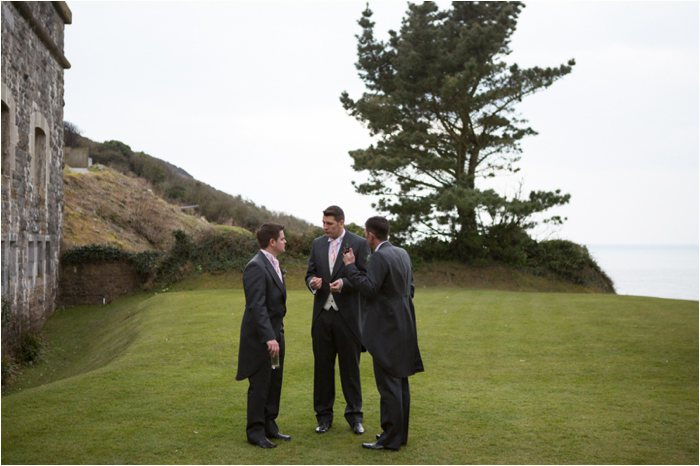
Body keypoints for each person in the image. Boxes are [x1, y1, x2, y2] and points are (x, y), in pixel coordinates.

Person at [342, 216, 424, 451]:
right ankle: (399, 435)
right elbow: (410, 289)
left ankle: (390, 438)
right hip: (405, 324)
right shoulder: (402, 253)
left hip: (387, 328)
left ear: (370, 235)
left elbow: (369, 288)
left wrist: (350, 266)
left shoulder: (379, 256)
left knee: (388, 385)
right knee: (400, 382)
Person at [305, 205, 371, 435]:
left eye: (329, 224)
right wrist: (312, 282)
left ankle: (355, 417)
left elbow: (364, 277)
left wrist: (344, 284)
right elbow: (310, 273)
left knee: (350, 370)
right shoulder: (317, 244)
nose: (325, 227)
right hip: (322, 316)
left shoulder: (359, 244)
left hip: (348, 318)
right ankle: (323, 417)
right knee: (322, 369)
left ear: (341, 223)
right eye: (323, 223)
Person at [235, 223, 291, 449]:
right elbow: (256, 306)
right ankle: (255, 432)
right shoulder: (256, 266)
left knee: (274, 382)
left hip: (277, 334)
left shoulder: (274, 263)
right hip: (261, 339)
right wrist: (269, 337)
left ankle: (270, 425)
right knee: (260, 384)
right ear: (272, 242)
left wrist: (277, 334)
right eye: (282, 238)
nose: (285, 241)